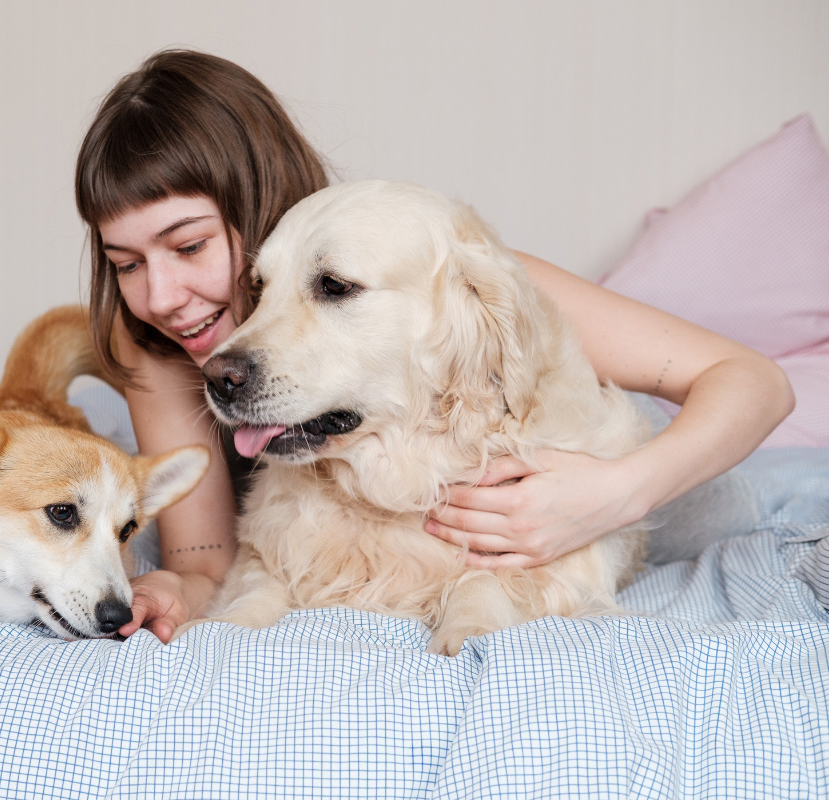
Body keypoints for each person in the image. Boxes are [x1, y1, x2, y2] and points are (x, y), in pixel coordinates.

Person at [73, 49, 795, 644]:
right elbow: (205, 559)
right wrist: (173, 586)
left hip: (615, 462)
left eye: (189, 245)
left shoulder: (456, 270)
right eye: (127, 263)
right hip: (327, 529)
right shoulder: (156, 344)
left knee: (722, 502)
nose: (160, 295)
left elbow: (752, 380)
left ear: (259, 206)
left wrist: (612, 494)